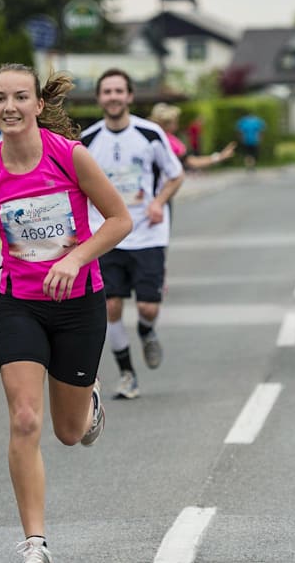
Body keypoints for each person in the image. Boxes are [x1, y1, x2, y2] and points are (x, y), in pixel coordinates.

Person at [0, 63, 131, 563]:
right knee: (23, 418)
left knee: (68, 431)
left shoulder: (70, 158)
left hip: (80, 304)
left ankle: (90, 398)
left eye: (19, 97)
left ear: (38, 105)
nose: (9, 107)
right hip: (22, 307)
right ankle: (35, 542)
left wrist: (75, 258)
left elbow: (119, 220)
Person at [80, 69, 184, 399]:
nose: (112, 97)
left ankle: (147, 330)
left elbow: (175, 175)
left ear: (129, 96)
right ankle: (127, 374)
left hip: (148, 233)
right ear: (99, 98)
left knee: (147, 308)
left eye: (118, 91)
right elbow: (77, 188)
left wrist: (158, 202)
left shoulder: (150, 134)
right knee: (111, 305)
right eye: (106, 91)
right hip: (106, 235)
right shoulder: (87, 142)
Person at [148, 103, 236, 171]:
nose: (177, 125)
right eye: (175, 122)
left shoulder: (150, 137)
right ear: (166, 124)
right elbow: (192, 161)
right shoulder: (169, 141)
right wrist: (219, 157)